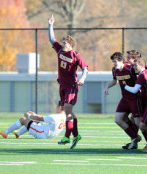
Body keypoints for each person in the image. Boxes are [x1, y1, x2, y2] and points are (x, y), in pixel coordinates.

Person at [48, 14, 88, 149]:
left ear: (71, 45)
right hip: (62, 86)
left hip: (72, 86)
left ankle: (66, 136)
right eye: (63, 42)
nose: (63, 44)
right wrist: (50, 25)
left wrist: (83, 78)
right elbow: (52, 39)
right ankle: (76, 135)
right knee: (68, 110)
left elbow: (85, 68)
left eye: (65, 43)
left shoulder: (76, 55)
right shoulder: (60, 50)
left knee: (67, 110)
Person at [104, 52, 142, 150]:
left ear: (121, 61)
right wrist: (107, 87)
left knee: (139, 123)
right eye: (112, 62)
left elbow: (140, 77)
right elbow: (115, 80)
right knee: (118, 119)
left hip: (135, 98)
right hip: (125, 99)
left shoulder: (130, 68)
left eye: (115, 61)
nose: (114, 64)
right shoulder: (114, 70)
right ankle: (135, 137)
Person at [0, 101, 66, 139]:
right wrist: (34, 115)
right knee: (34, 122)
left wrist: (29, 115)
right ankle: (17, 134)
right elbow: (40, 119)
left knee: (23, 119)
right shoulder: (65, 117)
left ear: (60, 107)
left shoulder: (54, 117)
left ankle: (5, 133)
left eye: (57, 106)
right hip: (50, 135)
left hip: (42, 133)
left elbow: (40, 118)